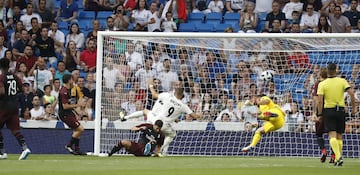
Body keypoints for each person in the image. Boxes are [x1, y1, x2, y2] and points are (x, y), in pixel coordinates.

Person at [120, 80, 201, 156]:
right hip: (165, 126)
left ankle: (125, 117)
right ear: (182, 96)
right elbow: (194, 116)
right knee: (172, 134)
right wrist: (199, 115)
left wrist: (150, 85)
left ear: (174, 91)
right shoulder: (183, 106)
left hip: (156, 121)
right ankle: (159, 151)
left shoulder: (167, 96)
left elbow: (154, 95)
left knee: (145, 112)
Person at [317, 63, 357, 166]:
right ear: (336, 70)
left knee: (332, 135)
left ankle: (338, 157)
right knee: (339, 135)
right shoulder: (342, 81)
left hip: (328, 110)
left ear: (327, 70)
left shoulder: (322, 84)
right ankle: (337, 158)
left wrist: (320, 113)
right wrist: (354, 108)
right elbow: (352, 93)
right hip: (340, 110)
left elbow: (320, 101)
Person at [0, 58, 31, 160]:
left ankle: (2, 152)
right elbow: (22, 89)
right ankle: (25, 148)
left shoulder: (1, 77)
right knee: (15, 130)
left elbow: (2, 92)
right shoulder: (15, 77)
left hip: (3, 106)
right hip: (14, 106)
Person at [59, 74, 87, 155]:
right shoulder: (63, 91)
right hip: (65, 114)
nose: (73, 81)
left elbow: (68, 104)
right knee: (80, 129)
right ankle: (69, 145)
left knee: (77, 130)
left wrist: (75, 111)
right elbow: (65, 106)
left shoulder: (68, 90)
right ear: (69, 80)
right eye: (72, 79)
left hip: (69, 113)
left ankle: (77, 149)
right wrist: (78, 105)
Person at [311, 67, 335, 163]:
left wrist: (314, 113)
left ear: (320, 74)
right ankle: (333, 155)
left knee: (319, 134)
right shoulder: (333, 83)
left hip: (321, 111)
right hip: (333, 110)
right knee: (332, 134)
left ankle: (324, 151)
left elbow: (316, 99)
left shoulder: (318, 84)